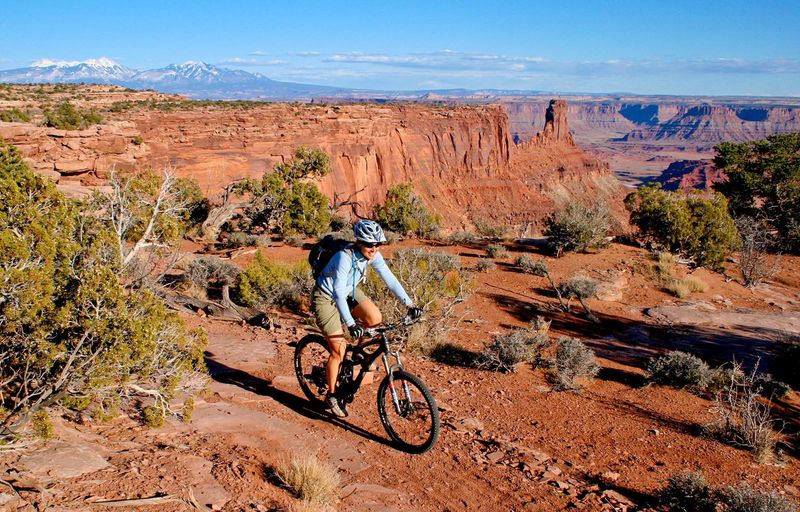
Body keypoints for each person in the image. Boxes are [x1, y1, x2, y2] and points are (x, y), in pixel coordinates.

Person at [312, 219, 422, 417]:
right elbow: (337, 293)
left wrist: (410, 304)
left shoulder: (374, 256)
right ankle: (332, 395)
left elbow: (390, 280)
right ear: (359, 242)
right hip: (326, 297)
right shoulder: (344, 257)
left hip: (348, 291)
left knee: (374, 317)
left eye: (378, 244)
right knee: (339, 350)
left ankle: (358, 355)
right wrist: (351, 323)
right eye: (370, 244)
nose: (374, 248)